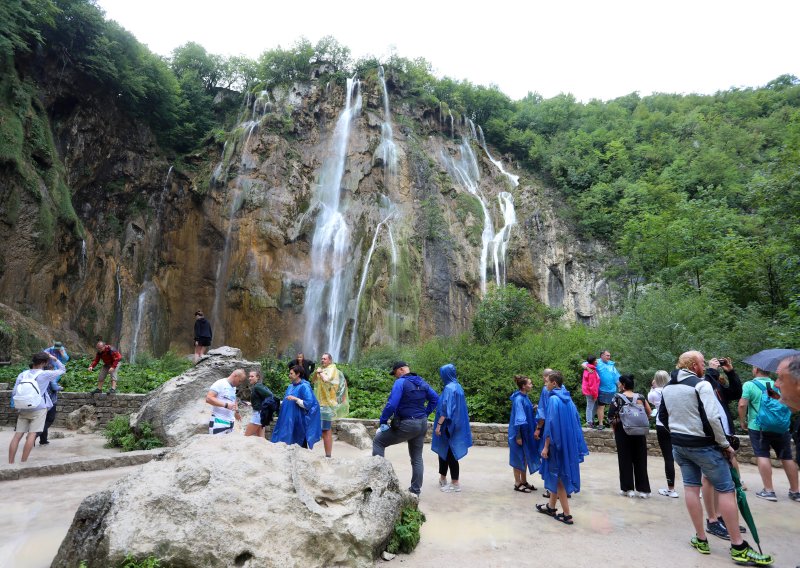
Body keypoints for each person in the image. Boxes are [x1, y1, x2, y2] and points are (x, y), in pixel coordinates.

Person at [659, 351, 772, 565]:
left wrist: (678, 433)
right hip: (704, 447)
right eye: (702, 362)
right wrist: (725, 445)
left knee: (691, 488)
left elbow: (662, 417)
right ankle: (738, 547)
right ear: (693, 365)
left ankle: (701, 539)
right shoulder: (702, 385)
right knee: (726, 490)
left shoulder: (668, 388)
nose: (705, 365)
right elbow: (713, 417)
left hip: (680, 446)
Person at [372, 361, 439, 496]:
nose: (395, 376)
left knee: (379, 441)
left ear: (401, 370)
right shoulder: (422, 382)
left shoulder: (400, 383)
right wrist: (425, 414)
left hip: (408, 424)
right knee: (417, 458)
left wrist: (383, 420)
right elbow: (435, 399)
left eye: (395, 373)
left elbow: (391, 404)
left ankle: (378, 484)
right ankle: (415, 491)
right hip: (422, 424)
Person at [737, 365, 799, 502]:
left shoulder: (749, 385)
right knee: (787, 458)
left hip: (758, 426)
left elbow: (742, 405)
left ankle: (769, 491)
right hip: (781, 427)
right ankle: (795, 492)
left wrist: (742, 421)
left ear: (756, 370)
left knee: (762, 455)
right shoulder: (780, 384)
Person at [536, 371, 588, 525]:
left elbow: (550, 426)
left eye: (547, 382)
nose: (545, 384)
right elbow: (576, 423)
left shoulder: (553, 400)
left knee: (559, 478)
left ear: (554, 383)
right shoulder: (569, 400)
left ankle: (567, 514)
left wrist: (546, 447)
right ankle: (551, 507)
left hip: (556, 445)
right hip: (567, 444)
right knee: (557, 474)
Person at [9, 352, 65, 463]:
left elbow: (15, 391)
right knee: (32, 434)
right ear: (44, 362)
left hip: (23, 408)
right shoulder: (45, 374)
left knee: (17, 436)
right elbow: (62, 369)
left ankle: (10, 463)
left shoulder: (22, 374)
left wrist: (18, 405)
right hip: (38, 408)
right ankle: (23, 463)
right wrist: (54, 358)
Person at [609, 374, 652, 498]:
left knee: (625, 460)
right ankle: (643, 490)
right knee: (641, 460)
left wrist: (616, 428)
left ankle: (628, 489)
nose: (618, 385)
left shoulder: (617, 397)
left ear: (623, 385)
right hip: (639, 432)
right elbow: (649, 413)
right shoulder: (641, 397)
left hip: (623, 432)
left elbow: (611, 417)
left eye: (619, 383)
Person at [431, 364, 472, 493]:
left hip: (448, 425)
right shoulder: (458, 387)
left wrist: (438, 425)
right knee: (445, 451)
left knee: (450, 453)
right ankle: (443, 478)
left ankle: (455, 483)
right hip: (457, 424)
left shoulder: (449, 388)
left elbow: (446, 410)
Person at [271, 365, 322, 448]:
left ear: (298, 374)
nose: (289, 375)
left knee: (300, 443)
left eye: (291, 374)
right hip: (287, 419)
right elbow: (287, 401)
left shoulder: (304, 386)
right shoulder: (290, 386)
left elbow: (309, 404)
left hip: (299, 420)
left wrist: (296, 399)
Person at [311, 352, 348, 458]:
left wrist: (320, 372)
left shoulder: (332, 369)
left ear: (330, 361)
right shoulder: (323, 370)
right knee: (319, 428)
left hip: (328, 405)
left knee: (326, 430)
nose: (322, 360)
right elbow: (313, 381)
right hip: (320, 403)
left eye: (325, 359)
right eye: (322, 358)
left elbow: (327, 380)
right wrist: (316, 373)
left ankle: (328, 455)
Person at [648, 370, 678, 498]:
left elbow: (650, 400)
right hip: (677, 425)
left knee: (668, 458)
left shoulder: (654, 393)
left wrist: (653, 387)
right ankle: (697, 489)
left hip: (662, 426)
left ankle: (671, 489)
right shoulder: (674, 390)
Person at [508, 374, 540, 493]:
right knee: (518, 458)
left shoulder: (524, 397)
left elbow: (525, 413)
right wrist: (518, 436)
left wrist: (532, 408)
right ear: (523, 386)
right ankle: (517, 483)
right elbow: (518, 419)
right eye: (530, 383)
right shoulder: (519, 399)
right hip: (519, 434)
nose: (531, 385)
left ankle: (524, 481)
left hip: (525, 433)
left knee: (525, 458)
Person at [40, 341, 69, 445]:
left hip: (42, 399)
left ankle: (43, 440)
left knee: (44, 419)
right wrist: (59, 388)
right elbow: (54, 386)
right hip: (50, 399)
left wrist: (61, 353)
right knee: (50, 418)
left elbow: (66, 359)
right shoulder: (48, 350)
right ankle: (37, 433)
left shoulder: (62, 349)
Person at [205, 369, 244, 434]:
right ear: (235, 376)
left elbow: (233, 399)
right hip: (218, 422)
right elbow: (208, 398)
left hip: (230, 422)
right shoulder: (220, 383)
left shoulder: (233, 387)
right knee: (215, 443)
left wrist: (236, 411)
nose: (239, 384)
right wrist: (226, 405)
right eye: (239, 381)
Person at [535, 368, 554, 496]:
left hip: (549, 428)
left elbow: (543, 412)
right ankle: (563, 488)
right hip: (561, 431)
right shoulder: (563, 390)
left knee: (548, 456)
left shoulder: (546, 390)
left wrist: (538, 428)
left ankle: (551, 489)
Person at [594, 350, 620, 429]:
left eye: (609, 355)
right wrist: (585, 366)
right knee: (601, 407)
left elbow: (617, 377)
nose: (609, 357)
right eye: (607, 355)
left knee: (614, 408)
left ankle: (613, 425)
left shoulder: (611, 365)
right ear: (601, 355)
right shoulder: (597, 362)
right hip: (602, 389)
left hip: (612, 390)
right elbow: (585, 363)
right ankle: (601, 424)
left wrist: (620, 386)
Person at [244, 370, 273, 438]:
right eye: (249, 376)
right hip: (261, 414)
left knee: (246, 437)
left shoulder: (257, 387)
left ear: (258, 377)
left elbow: (270, 395)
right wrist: (252, 404)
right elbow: (261, 399)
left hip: (258, 414)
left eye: (252, 376)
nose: (250, 378)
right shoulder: (259, 386)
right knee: (260, 439)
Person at [581, 356, 599, 428]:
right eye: (596, 360)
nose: (597, 362)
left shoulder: (588, 368)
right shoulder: (592, 371)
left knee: (591, 406)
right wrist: (595, 395)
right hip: (590, 392)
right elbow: (593, 386)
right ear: (594, 362)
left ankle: (590, 421)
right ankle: (589, 422)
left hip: (587, 391)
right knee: (590, 407)